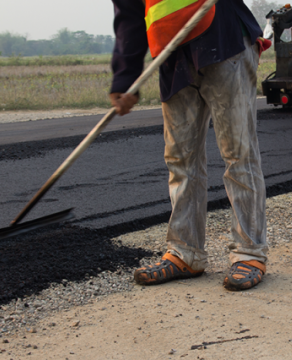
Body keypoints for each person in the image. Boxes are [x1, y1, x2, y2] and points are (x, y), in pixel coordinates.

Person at [109, 0, 270, 291]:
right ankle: (185, 253)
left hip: (223, 39)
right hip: (173, 55)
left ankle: (249, 253)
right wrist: (125, 75)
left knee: (238, 152)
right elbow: (130, 16)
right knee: (180, 159)